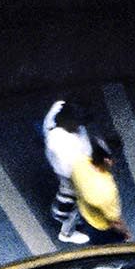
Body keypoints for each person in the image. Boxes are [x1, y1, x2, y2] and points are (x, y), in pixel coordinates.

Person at [42, 98, 95, 243]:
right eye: (77, 123)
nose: (79, 126)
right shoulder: (62, 143)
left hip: (69, 171)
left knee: (66, 194)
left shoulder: (57, 112)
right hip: (72, 175)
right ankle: (67, 233)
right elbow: (73, 170)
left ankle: (59, 212)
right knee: (78, 201)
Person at [70, 134, 130, 243]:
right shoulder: (107, 190)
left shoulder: (79, 163)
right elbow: (114, 222)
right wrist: (125, 232)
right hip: (100, 226)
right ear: (107, 160)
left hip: (84, 212)